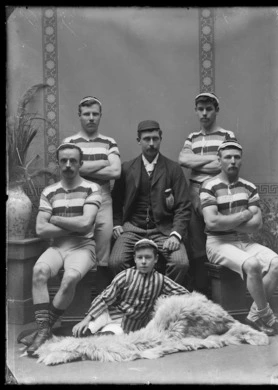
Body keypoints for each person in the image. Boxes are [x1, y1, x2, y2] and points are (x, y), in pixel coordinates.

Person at [200, 137, 278, 336]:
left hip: (244, 242)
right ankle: (268, 318)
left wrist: (227, 220)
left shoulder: (249, 187)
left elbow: (256, 225)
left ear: (241, 160)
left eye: (236, 157)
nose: (232, 161)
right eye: (227, 157)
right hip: (218, 243)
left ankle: (254, 316)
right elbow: (212, 223)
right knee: (252, 264)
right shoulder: (209, 186)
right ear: (219, 160)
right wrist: (244, 215)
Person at [25, 143, 102, 355]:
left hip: (83, 246)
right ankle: (44, 330)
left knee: (69, 279)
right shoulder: (50, 192)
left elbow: (86, 224)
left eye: (73, 161)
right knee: (39, 271)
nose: (68, 165)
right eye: (64, 161)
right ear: (58, 163)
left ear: (80, 163)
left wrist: (57, 219)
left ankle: (43, 331)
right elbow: (41, 228)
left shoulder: (92, 188)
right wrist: (71, 225)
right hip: (57, 247)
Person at [109, 120, 191, 286]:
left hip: (163, 230)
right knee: (116, 262)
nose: (152, 143)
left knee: (180, 263)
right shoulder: (126, 168)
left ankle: (163, 299)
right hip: (132, 228)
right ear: (138, 140)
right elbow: (115, 201)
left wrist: (175, 234)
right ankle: (135, 295)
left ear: (161, 139)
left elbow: (184, 206)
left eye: (155, 138)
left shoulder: (173, 169)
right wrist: (117, 224)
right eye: (147, 139)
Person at [178, 92, 235, 295]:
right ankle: (203, 293)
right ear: (196, 111)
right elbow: (184, 160)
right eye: (200, 109)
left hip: (217, 192)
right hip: (194, 192)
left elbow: (225, 164)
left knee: (220, 240)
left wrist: (199, 160)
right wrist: (213, 159)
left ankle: (223, 294)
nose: (204, 113)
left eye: (208, 109)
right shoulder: (192, 137)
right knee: (197, 246)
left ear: (216, 110)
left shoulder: (227, 136)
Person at [72, 238, 189, 336]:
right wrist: (86, 320)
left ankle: (103, 334)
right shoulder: (125, 276)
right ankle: (88, 331)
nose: (143, 261)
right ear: (134, 259)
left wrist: (164, 304)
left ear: (156, 259)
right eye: (140, 257)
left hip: (127, 324)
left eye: (148, 257)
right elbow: (105, 298)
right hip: (108, 313)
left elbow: (184, 293)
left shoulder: (161, 280)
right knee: (86, 329)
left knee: (110, 335)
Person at [63, 96, 121, 293]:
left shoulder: (108, 142)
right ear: (79, 116)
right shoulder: (70, 142)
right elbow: (70, 172)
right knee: (78, 246)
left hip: (103, 197)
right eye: (86, 114)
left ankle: (100, 301)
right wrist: (103, 162)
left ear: (100, 116)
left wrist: (83, 167)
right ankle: (78, 303)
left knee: (103, 248)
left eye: (95, 114)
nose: (91, 118)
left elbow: (115, 172)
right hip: (76, 198)